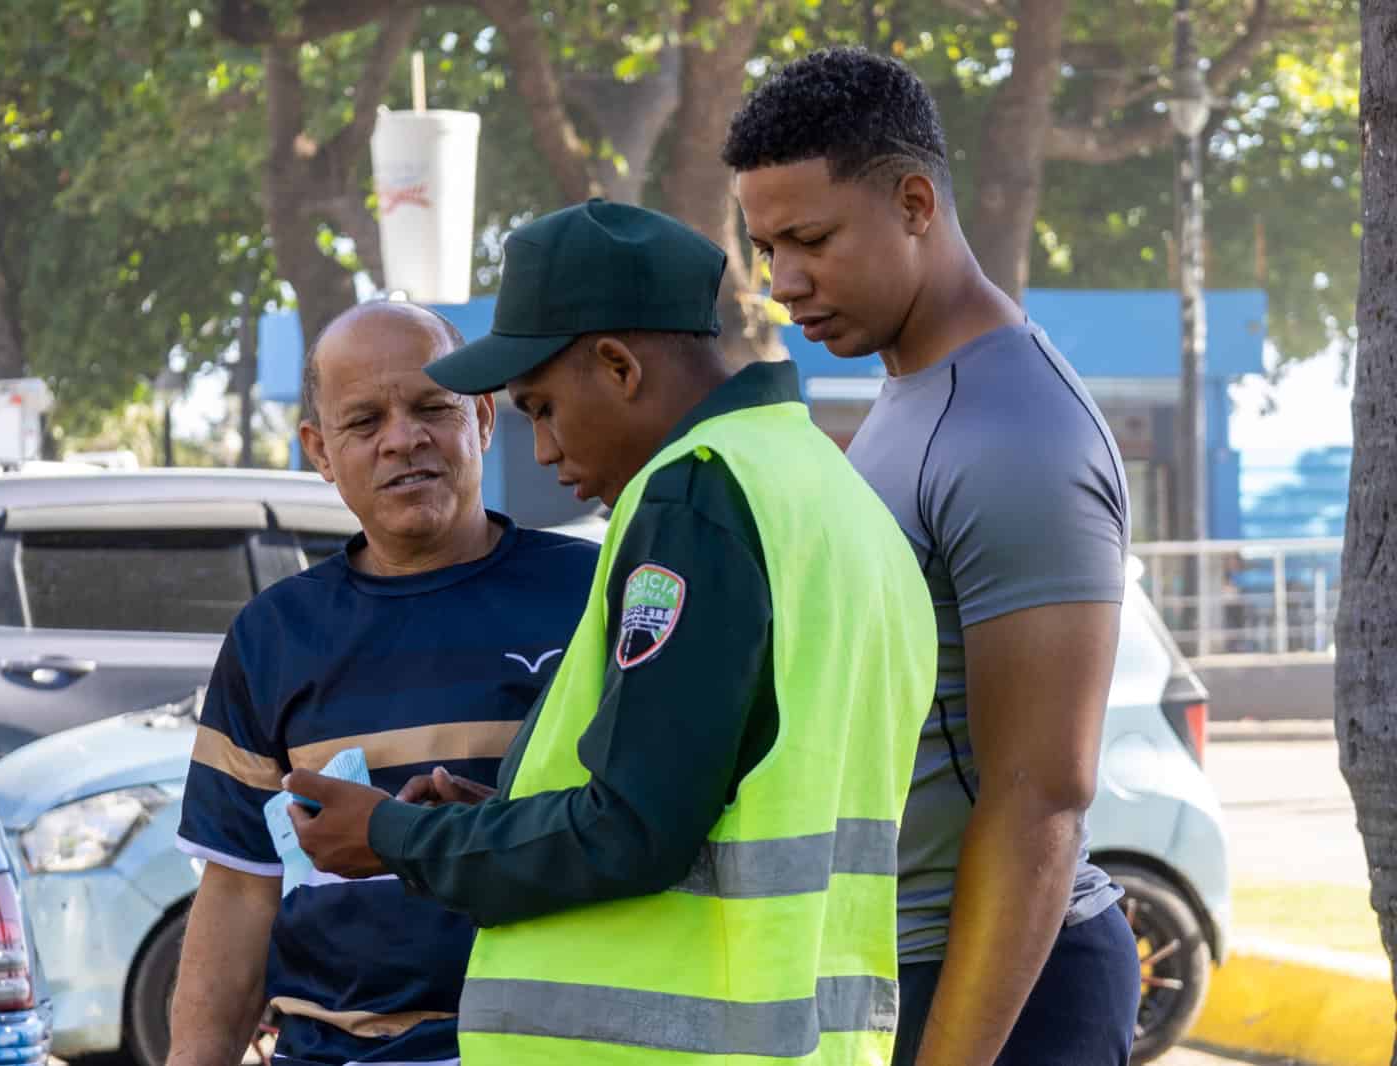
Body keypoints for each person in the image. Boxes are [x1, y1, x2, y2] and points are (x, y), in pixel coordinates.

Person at [281, 199, 938, 1066]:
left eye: (542, 407)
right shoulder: (826, 487)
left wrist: (393, 836)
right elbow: (708, 807)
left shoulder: (691, 496)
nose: (543, 450)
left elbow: (632, 832)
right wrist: (503, 825)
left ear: (620, 366)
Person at [725, 47, 1142, 1066]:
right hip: (894, 966)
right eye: (766, 247)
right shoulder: (909, 391)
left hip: (1001, 990)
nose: (785, 283)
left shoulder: (1014, 435)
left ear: (915, 202)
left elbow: (1040, 793)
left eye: (811, 239)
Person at [166, 300, 598, 1066]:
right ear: (320, 451)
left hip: (550, 1046)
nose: (404, 439)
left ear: (484, 420)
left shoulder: (593, 595)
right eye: (364, 423)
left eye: (434, 407)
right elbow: (237, 892)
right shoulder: (274, 635)